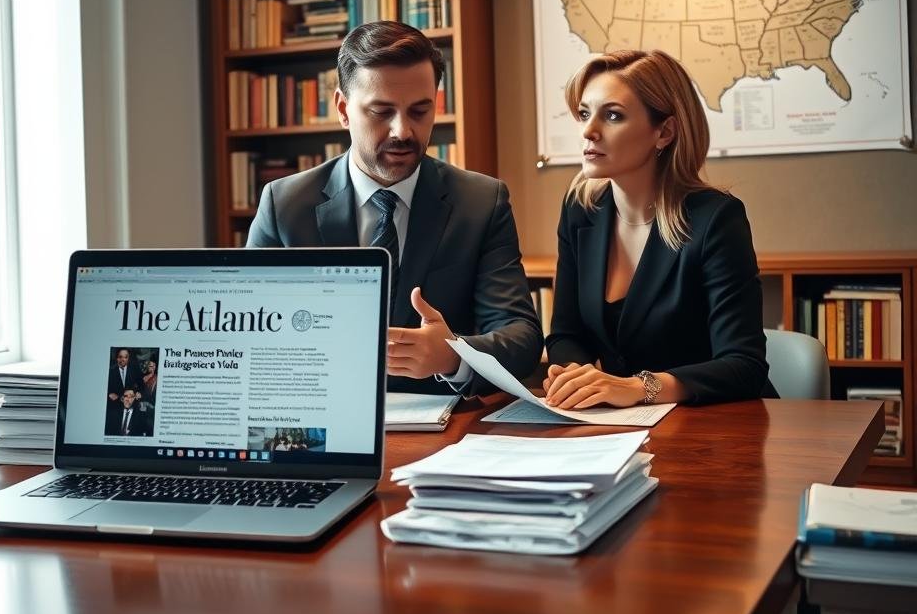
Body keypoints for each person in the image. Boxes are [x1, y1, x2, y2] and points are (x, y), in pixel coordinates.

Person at [246, 21, 543, 395]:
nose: (402, 131)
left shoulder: (482, 202)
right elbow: (250, 333)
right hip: (323, 423)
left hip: (446, 431)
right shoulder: (284, 205)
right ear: (342, 109)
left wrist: (453, 356)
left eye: (419, 111)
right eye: (382, 112)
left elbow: (522, 337)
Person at [544, 49, 774, 409]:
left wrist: (638, 388)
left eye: (613, 115)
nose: (589, 130)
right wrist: (581, 379)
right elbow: (565, 335)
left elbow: (744, 366)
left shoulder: (716, 219)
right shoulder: (580, 210)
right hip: (621, 426)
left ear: (664, 131)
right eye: (585, 113)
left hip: (716, 426)